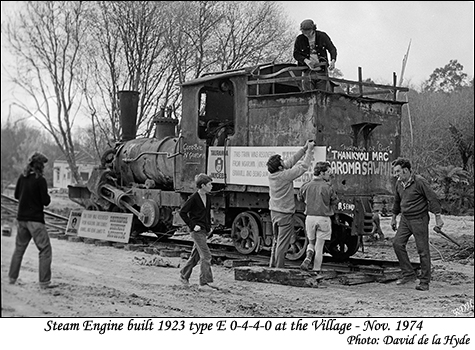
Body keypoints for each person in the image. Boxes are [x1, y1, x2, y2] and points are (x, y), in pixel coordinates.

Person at [391, 157, 444, 291]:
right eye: (395, 172)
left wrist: (438, 217)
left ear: (406, 170)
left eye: (397, 171)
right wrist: (393, 217)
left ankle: (425, 281)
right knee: (397, 243)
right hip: (405, 219)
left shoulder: (420, 181)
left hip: (419, 219)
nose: (395, 175)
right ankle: (408, 274)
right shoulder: (398, 183)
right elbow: (397, 201)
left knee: (423, 250)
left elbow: (432, 198)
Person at [8, 152, 57, 289]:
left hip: (22, 219)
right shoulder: (40, 180)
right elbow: (45, 201)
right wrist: (46, 196)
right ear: (40, 166)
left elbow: (17, 195)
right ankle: (44, 283)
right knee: (45, 250)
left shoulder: (22, 178)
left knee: (19, 249)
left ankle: (12, 278)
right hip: (35, 221)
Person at [267, 140, 315, 268]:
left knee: (276, 240)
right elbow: (303, 167)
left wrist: (304, 149)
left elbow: (291, 162)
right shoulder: (284, 176)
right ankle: (279, 268)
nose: (284, 162)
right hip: (284, 213)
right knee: (283, 242)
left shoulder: (273, 175)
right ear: (279, 167)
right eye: (281, 161)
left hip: (274, 212)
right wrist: (310, 151)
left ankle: (273, 264)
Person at [179, 173, 217, 290]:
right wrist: (192, 225)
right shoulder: (194, 198)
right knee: (206, 256)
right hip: (196, 231)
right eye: (210, 184)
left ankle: (183, 275)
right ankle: (203, 283)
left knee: (195, 256)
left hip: (204, 231)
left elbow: (206, 214)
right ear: (202, 185)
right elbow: (182, 212)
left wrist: (209, 227)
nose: (212, 186)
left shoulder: (208, 197)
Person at [298, 161, 338, 272]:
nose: (329, 174)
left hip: (310, 217)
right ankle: (316, 270)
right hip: (323, 218)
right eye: (328, 172)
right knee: (319, 247)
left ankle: (308, 255)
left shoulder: (306, 186)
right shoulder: (327, 187)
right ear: (321, 173)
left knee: (311, 242)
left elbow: (300, 198)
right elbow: (334, 201)